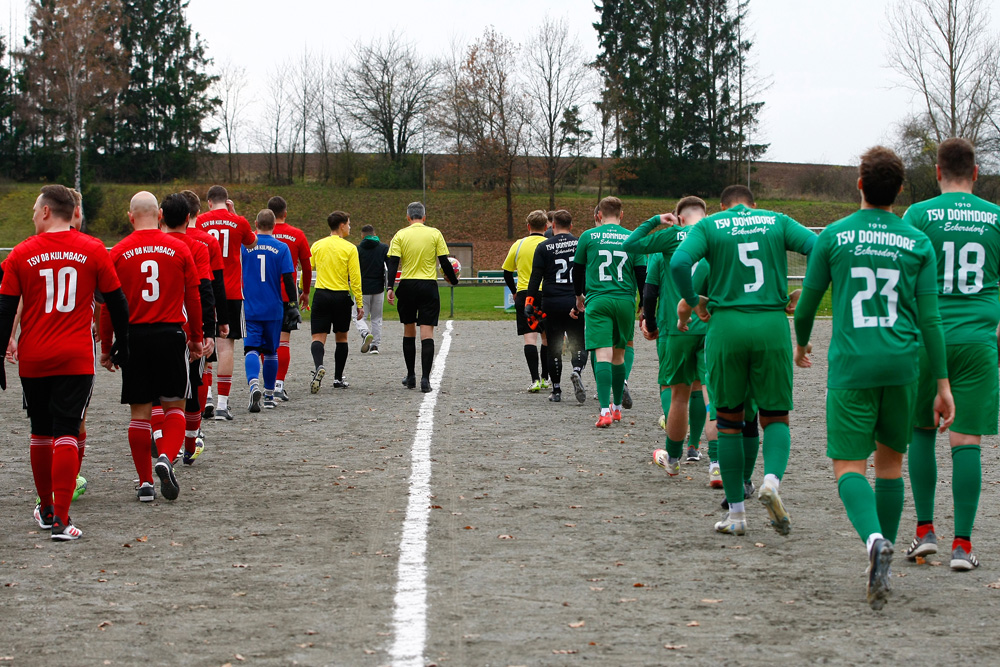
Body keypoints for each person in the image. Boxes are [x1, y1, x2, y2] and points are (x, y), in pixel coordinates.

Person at [794, 146, 955, 610]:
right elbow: (932, 321)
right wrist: (942, 385)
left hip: (853, 365)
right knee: (889, 466)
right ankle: (880, 557)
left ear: (859, 184)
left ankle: (873, 541)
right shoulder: (917, 242)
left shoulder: (835, 236)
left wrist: (801, 343)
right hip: (904, 366)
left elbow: (807, 303)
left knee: (848, 466)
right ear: (900, 190)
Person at [671, 185, 814, 537]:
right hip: (771, 325)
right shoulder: (777, 221)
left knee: (729, 422)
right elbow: (821, 247)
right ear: (754, 204)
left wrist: (695, 300)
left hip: (727, 327)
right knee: (776, 416)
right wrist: (805, 293)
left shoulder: (711, 225)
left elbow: (679, 262)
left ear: (721, 206)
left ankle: (736, 515)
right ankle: (770, 481)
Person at [0, 185, 129, 540]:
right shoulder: (93, 249)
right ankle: (61, 519)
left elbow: (5, 308)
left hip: (34, 356)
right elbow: (116, 301)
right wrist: (123, 342)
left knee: (41, 432)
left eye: (33, 209)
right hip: (74, 354)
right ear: (73, 212)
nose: (31, 215)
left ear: (45, 212)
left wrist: (0, 352)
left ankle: (44, 509)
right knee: (67, 431)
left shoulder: (21, 253)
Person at [900, 138, 1000, 571]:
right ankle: (963, 545)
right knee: (967, 442)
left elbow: (902, 278)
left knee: (921, 432)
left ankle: (925, 533)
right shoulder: (996, 217)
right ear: (976, 173)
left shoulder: (918, 215)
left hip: (926, 337)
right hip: (979, 339)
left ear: (938, 173)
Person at [100, 192, 203, 504]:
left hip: (134, 339)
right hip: (171, 334)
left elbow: (107, 307)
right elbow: (193, 298)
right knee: (175, 407)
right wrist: (196, 337)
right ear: (159, 215)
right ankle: (166, 458)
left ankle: (145, 484)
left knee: (139, 414)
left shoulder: (117, 252)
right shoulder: (179, 248)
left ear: (131, 217)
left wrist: (106, 346)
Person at [624, 196, 715, 480]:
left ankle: (673, 459)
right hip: (712, 325)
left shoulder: (670, 236)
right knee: (711, 392)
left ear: (679, 217)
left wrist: (654, 220)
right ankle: (715, 462)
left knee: (677, 395)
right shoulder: (718, 236)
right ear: (705, 215)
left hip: (677, 328)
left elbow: (631, 247)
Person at [573, 196, 641, 427]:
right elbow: (641, 272)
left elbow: (577, 270)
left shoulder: (588, 236)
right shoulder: (633, 237)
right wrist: (642, 305)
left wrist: (578, 296)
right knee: (619, 355)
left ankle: (604, 411)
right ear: (622, 215)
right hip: (624, 300)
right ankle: (618, 408)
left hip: (598, 299)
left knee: (602, 355)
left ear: (599, 215)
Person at [161, 194, 217, 466]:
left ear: (161, 216)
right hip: (185, 328)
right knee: (191, 388)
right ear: (188, 218)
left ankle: (160, 439)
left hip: (150, 326)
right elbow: (203, 292)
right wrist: (207, 332)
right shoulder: (196, 246)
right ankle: (189, 446)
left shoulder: (150, 245)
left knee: (156, 394)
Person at [385, 202, 459, 393]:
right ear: (424, 217)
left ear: (408, 217)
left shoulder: (400, 235)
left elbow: (393, 263)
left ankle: (411, 376)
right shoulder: (435, 233)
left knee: (409, 332)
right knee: (427, 334)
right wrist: (453, 280)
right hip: (428, 286)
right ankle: (425, 379)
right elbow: (444, 260)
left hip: (407, 285)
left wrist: (390, 287)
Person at [197, 185, 255, 420]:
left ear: (209, 202)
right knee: (226, 346)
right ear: (226, 200)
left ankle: (206, 397)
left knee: (204, 344)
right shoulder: (239, 221)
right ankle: (223, 404)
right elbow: (250, 243)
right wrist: (234, 214)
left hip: (205, 289)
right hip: (231, 292)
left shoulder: (200, 221)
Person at [181, 190, 227, 461]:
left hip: (167, 317)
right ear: (198, 212)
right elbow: (215, 283)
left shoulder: (165, 240)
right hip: (198, 314)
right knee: (198, 371)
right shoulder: (206, 242)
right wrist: (222, 319)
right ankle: (194, 429)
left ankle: (161, 431)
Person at [526, 209, 588, 403]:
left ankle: (557, 390)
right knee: (578, 341)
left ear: (552, 226)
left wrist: (529, 302)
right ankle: (577, 370)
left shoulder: (544, 247)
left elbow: (536, 277)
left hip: (551, 301)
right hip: (575, 300)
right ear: (571, 226)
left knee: (553, 345)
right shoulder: (580, 243)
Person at [242, 209, 299, 410]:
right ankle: (268, 395)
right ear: (274, 225)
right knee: (271, 351)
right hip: (274, 308)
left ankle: (253, 384)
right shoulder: (282, 247)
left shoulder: (244, 246)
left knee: (251, 349)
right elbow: (289, 279)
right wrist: (293, 303)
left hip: (250, 306)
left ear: (255, 223)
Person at [309, 211, 363, 391]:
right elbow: (355, 278)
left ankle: (319, 367)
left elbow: (308, 269)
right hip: (341, 297)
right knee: (342, 338)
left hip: (322, 295)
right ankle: (338, 378)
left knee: (318, 337)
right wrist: (360, 303)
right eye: (348, 224)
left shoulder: (317, 245)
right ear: (341, 225)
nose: (350, 227)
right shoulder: (350, 248)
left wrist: (303, 291)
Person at [268, 196, 312, 400]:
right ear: (285, 213)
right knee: (284, 340)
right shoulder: (297, 234)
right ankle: (278, 384)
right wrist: (305, 292)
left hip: (264, 293)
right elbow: (306, 266)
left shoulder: (258, 235)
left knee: (266, 340)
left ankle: (267, 383)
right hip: (287, 294)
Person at [504, 210, 551, 392]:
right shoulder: (549, 244)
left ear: (528, 226)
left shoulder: (519, 244)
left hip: (525, 295)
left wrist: (515, 291)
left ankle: (535, 380)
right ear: (546, 226)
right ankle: (547, 378)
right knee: (546, 338)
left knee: (529, 339)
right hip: (546, 294)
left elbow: (507, 272)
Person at [352, 224, 389, 355]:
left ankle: (365, 332)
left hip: (362, 289)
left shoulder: (357, 250)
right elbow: (388, 268)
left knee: (358, 316)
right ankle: (374, 346)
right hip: (378, 288)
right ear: (374, 234)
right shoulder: (384, 248)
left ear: (362, 235)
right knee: (376, 318)